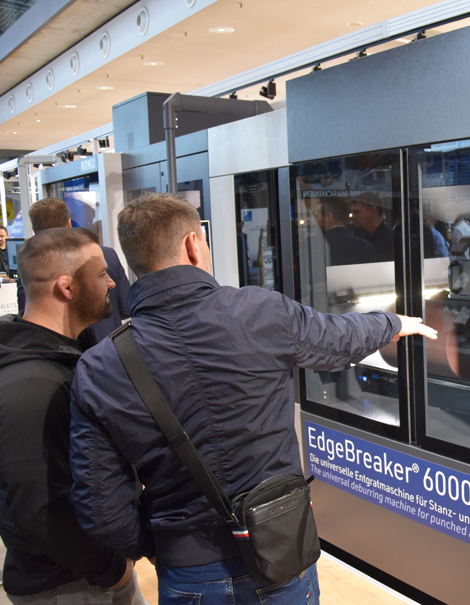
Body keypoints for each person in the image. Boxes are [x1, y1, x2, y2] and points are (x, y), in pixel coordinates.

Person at [68, 193, 437, 605]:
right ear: (193, 245)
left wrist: (162, 545)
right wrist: (393, 323)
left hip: (188, 572)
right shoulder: (258, 311)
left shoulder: (98, 367)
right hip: (279, 552)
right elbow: (339, 339)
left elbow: (99, 506)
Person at [0, 227, 146, 605]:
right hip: (69, 585)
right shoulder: (33, 385)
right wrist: (112, 571)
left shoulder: (55, 361)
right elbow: (41, 510)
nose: (111, 283)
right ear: (66, 287)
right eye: (102, 274)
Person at [17, 198, 130, 346]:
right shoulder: (107, 254)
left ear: (34, 230)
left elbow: (30, 317)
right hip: (107, 346)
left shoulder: (30, 267)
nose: (110, 283)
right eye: (102, 275)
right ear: (69, 223)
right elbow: (126, 306)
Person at [314, 197, 376, 266]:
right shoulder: (366, 247)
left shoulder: (312, 244)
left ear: (328, 217)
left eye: (316, 216)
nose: (314, 221)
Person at [349, 192, 394, 262]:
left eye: (356, 212)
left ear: (373, 211)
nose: (352, 216)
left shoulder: (393, 241)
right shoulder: (364, 239)